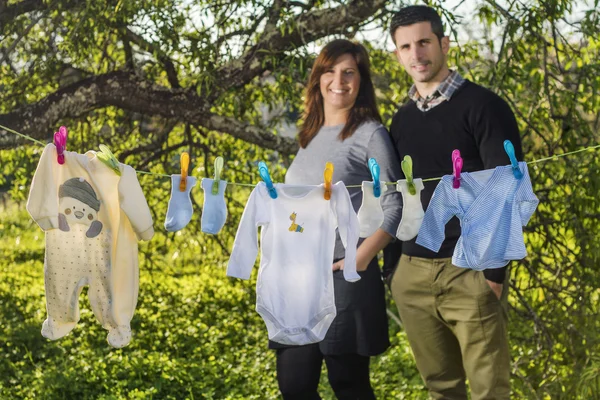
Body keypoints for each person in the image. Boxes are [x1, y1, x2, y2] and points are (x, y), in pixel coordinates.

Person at [385, 5, 524, 400]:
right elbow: (397, 195)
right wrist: (394, 269)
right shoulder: (401, 119)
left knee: (488, 391)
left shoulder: (484, 106)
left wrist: (494, 272)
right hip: (412, 273)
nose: (417, 54)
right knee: (441, 389)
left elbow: (506, 188)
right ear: (397, 54)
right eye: (406, 46)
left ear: (444, 43)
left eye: (424, 42)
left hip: (470, 269)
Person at [278, 39, 402, 399]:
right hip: (299, 277)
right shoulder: (310, 134)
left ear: (361, 80)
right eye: (330, 71)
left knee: (347, 384)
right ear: (318, 78)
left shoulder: (371, 136)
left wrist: (359, 258)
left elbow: (395, 206)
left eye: (349, 72)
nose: (339, 80)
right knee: (295, 386)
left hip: (344, 274)